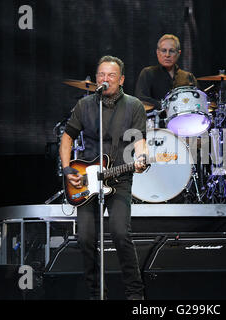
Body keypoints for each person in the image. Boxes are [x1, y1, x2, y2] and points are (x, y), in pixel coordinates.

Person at [59, 55, 147, 300]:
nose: (105, 79)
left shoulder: (134, 105)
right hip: (86, 180)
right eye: (101, 75)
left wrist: (141, 159)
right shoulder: (85, 105)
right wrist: (68, 170)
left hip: (119, 178)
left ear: (121, 80)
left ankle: (135, 294)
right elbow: (67, 138)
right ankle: (96, 293)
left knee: (120, 233)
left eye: (110, 75)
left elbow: (140, 141)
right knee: (85, 237)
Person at [135, 34, 198, 111]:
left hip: (184, 121)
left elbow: (197, 100)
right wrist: (167, 105)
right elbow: (141, 99)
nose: (167, 55)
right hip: (158, 121)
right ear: (158, 53)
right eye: (164, 50)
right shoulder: (148, 73)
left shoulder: (188, 77)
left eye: (171, 51)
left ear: (178, 53)